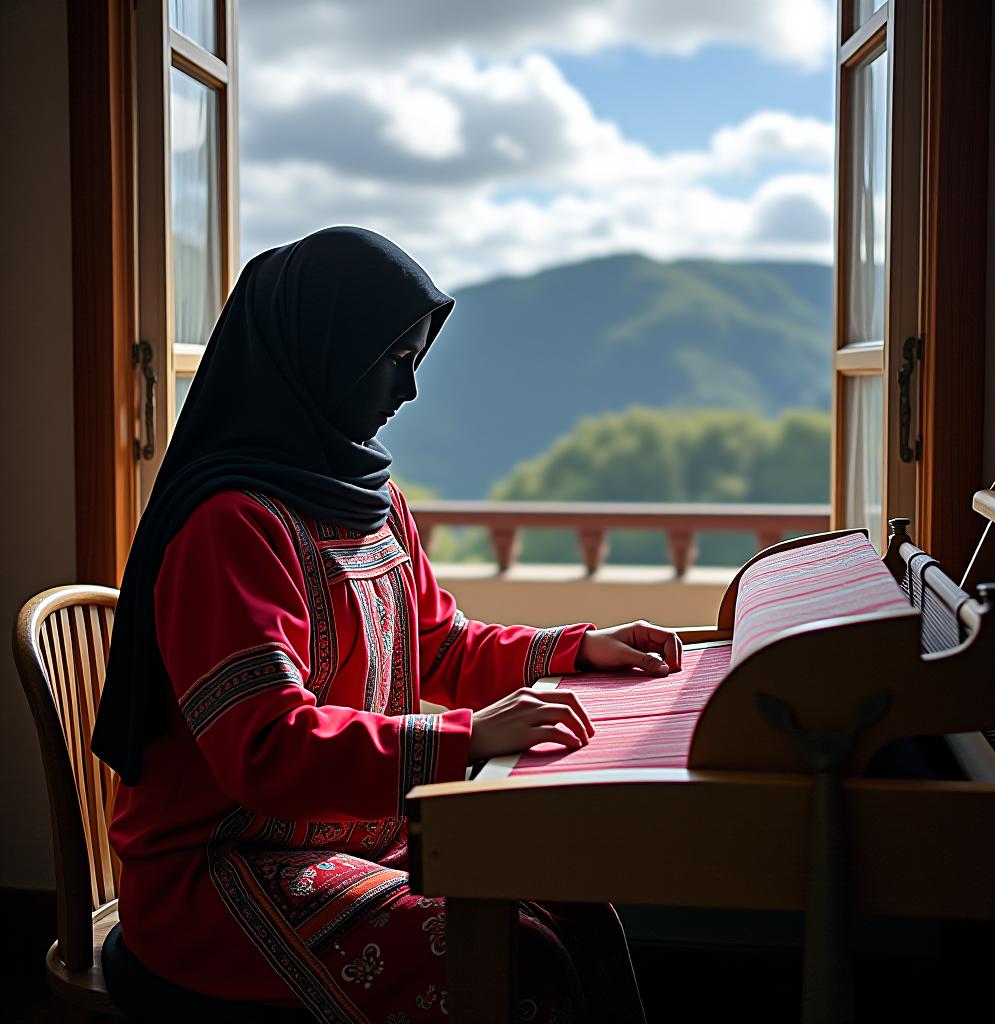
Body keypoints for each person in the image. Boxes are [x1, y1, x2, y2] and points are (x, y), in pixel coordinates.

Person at [93, 226, 681, 1022]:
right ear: (319, 352)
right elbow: (265, 747)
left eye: (417, 361)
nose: (407, 392)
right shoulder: (229, 527)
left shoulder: (370, 503)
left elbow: (441, 644)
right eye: (393, 360)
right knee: (517, 958)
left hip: (345, 841)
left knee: (575, 905)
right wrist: (468, 739)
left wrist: (579, 648)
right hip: (219, 873)